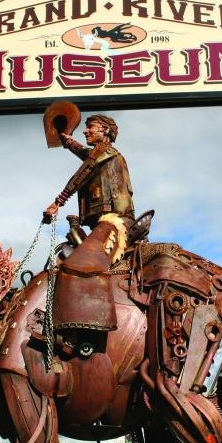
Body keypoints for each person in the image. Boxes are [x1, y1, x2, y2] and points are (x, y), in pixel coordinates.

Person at [42, 114, 135, 333]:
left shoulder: (107, 154)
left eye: (90, 127)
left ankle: (89, 321)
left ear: (105, 131)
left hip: (115, 221)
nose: (85, 132)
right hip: (102, 222)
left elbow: (84, 170)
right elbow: (82, 152)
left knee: (82, 263)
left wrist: (58, 202)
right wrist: (65, 138)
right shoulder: (98, 154)